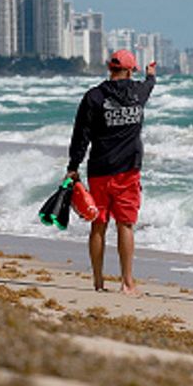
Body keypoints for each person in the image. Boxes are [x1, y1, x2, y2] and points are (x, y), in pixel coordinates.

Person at [65, 49, 157, 295]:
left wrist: (73, 167)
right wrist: (150, 75)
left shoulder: (93, 97)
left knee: (98, 225)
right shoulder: (138, 93)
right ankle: (127, 283)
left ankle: (98, 281)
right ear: (130, 71)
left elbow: (81, 136)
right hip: (128, 171)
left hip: (99, 170)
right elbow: (149, 86)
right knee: (125, 225)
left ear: (109, 68)